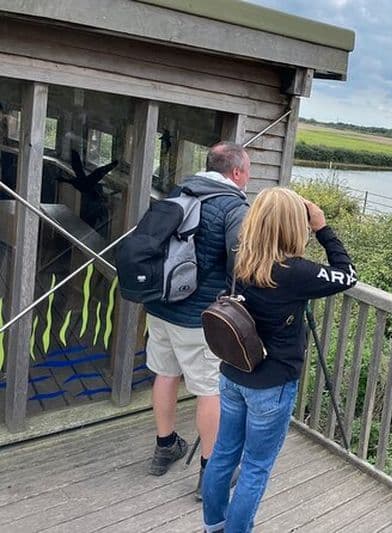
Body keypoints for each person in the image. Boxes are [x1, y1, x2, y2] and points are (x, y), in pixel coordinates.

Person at [202, 187, 357, 533]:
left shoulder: (239, 257)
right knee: (255, 467)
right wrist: (322, 228)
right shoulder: (296, 272)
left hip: (234, 372)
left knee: (223, 453)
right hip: (272, 384)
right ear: (293, 225)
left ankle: (213, 525)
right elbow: (347, 274)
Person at [144, 142, 250, 500]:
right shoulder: (233, 206)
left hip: (160, 306)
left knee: (165, 374)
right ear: (236, 172)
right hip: (198, 317)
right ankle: (212, 472)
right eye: (247, 171)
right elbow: (241, 264)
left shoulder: (180, 191)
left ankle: (164, 447)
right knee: (210, 390)